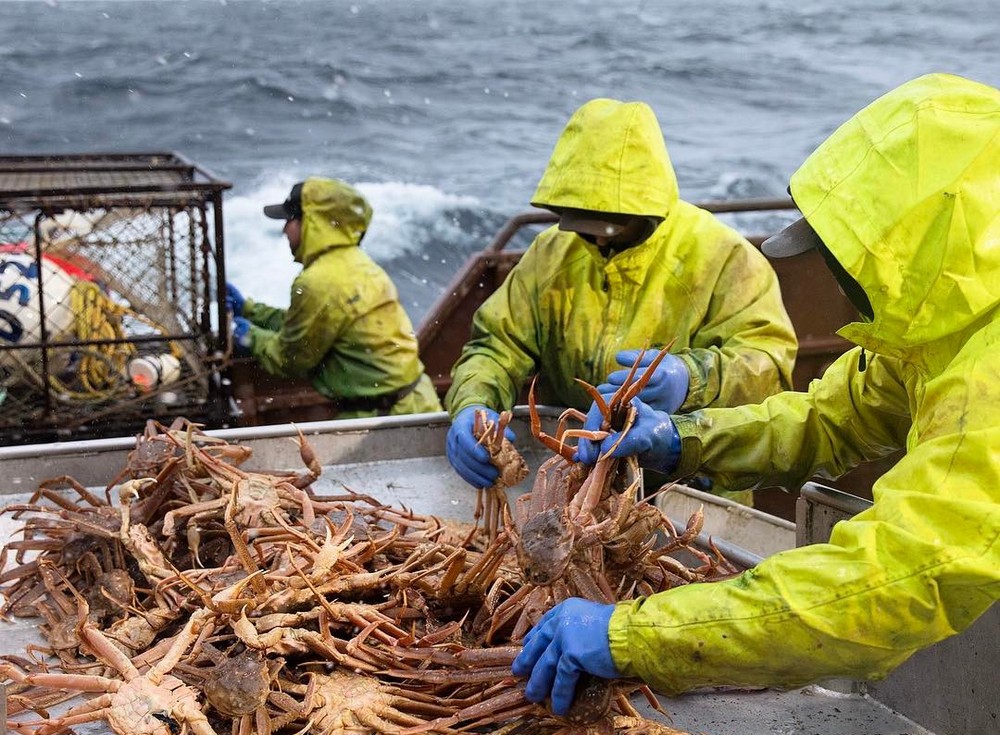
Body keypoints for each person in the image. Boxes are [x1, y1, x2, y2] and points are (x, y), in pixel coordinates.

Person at [511, 73, 1000, 717]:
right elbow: (828, 420)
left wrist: (631, 635)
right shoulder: (938, 331)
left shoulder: (986, 373)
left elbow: (894, 579)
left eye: (851, 258)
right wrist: (681, 440)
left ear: (918, 246)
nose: (837, 276)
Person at [444, 98, 797, 492]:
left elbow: (768, 365)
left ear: (649, 210)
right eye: (583, 224)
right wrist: (473, 405)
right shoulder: (549, 255)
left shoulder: (725, 257)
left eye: (612, 227)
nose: (595, 236)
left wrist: (690, 378)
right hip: (575, 475)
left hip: (693, 483)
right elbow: (495, 347)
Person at [227, 177, 442, 419]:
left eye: (290, 219)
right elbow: (312, 325)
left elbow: (292, 358)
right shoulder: (355, 262)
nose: (285, 229)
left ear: (312, 222)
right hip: (417, 403)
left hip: (383, 418)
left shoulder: (318, 282)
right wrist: (250, 309)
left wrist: (250, 336)